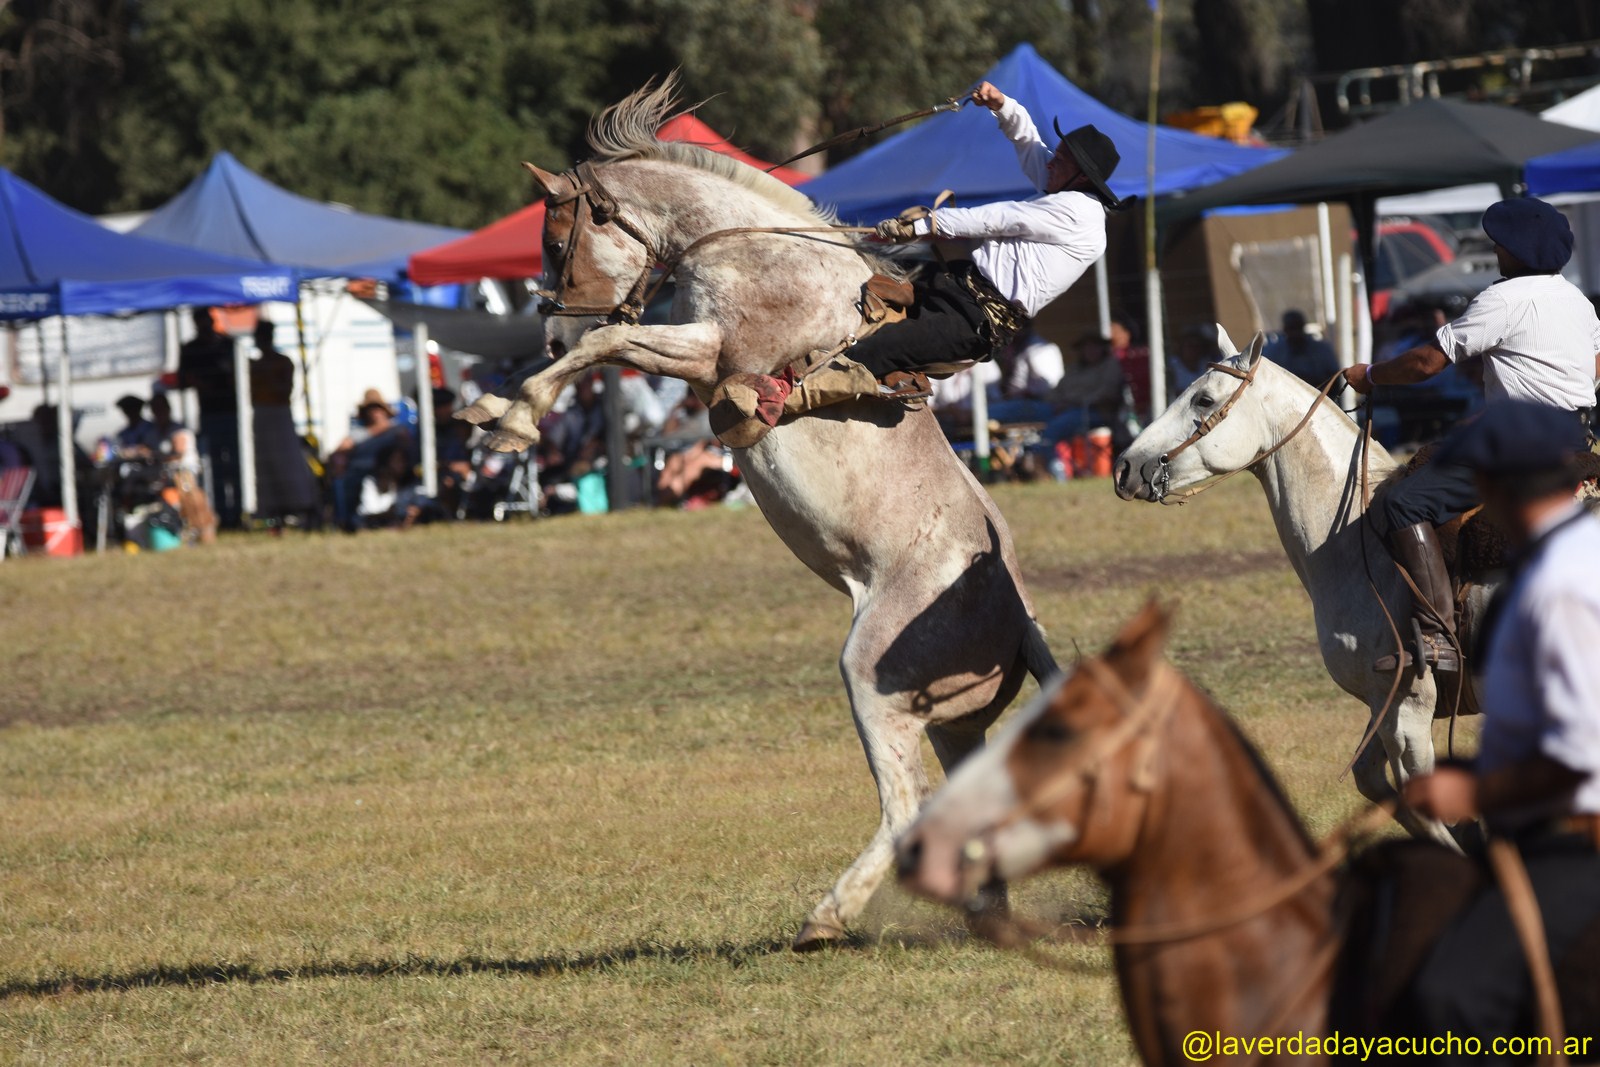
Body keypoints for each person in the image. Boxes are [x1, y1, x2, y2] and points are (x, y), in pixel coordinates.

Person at [712, 80, 1130, 446]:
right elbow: (1033, 150)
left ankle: (780, 398)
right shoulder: (1067, 194)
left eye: (1062, 160)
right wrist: (1004, 106)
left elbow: (1003, 218)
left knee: (879, 350)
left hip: (972, 320)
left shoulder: (1079, 213)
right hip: (953, 286)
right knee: (864, 285)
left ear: (1081, 177)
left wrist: (927, 224)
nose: (1052, 161)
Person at [1398, 400, 1600, 1058]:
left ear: (1494, 486)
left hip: (1576, 842)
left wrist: (1473, 793)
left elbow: (1581, 755)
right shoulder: (1569, 558)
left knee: (1451, 997)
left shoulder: (1560, 585)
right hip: (1549, 826)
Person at [1343, 197, 1600, 673]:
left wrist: (1371, 375)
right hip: (1576, 438)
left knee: (1403, 502)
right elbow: (1596, 364)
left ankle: (1437, 635)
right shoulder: (1576, 299)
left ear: (1516, 249)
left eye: (1499, 242)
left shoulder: (1502, 300)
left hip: (1520, 444)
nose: (1495, 248)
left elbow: (1428, 362)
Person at [176, 307, 243, 529]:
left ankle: (239, 511)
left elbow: (239, 377)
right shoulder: (191, 349)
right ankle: (221, 514)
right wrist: (198, 382)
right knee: (214, 467)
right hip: (209, 413)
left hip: (231, 412)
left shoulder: (227, 345)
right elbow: (182, 381)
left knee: (236, 465)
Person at [250, 320, 318, 528]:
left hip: (279, 414)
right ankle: (271, 507)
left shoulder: (282, 362)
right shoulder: (253, 365)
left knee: (287, 459)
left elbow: (284, 389)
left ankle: (299, 503)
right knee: (265, 461)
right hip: (261, 415)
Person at [149, 391, 216, 543]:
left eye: (160, 408)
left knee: (192, 501)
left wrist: (157, 456)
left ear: (168, 409)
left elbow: (178, 452)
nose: (158, 413)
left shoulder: (178, 430)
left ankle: (202, 533)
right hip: (162, 475)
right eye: (155, 409)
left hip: (184, 475)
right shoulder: (153, 431)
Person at [1262, 309, 1340, 387]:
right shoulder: (1275, 352)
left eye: (1297, 327)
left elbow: (1334, 376)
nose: (1295, 333)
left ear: (1303, 327)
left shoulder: (1321, 350)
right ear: (1285, 329)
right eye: (1291, 328)